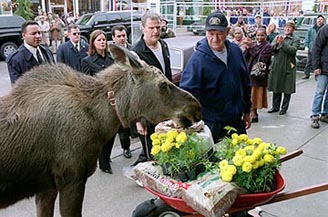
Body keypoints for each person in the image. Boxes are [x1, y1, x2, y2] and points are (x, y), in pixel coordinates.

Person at [179, 11, 252, 143]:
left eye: (219, 33)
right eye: (211, 34)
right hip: (212, 125)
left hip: (236, 122)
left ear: (227, 31)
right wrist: (190, 123)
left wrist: (247, 111)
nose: (215, 39)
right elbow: (187, 94)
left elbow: (245, 83)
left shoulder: (235, 51)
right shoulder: (198, 60)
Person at [131, 11, 172, 166]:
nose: (155, 31)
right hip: (147, 110)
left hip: (165, 105)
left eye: (158, 27)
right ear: (143, 28)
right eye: (151, 28)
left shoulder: (164, 45)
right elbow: (134, 89)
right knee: (150, 147)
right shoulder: (137, 53)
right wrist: (138, 121)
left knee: (165, 142)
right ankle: (142, 172)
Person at [81, 30, 115, 173]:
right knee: (101, 135)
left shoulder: (111, 59)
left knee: (111, 134)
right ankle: (103, 163)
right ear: (93, 43)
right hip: (97, 104)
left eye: (103, 39)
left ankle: (105, 158)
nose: (102, 42)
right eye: (99, 40)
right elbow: (84, 84)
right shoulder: (87, 61)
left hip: (112, 102)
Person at [267, 21, 300, 115]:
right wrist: (277, 44)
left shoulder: (295, 39)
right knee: (276, 86)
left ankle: (284, 108)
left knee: (287, 88)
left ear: (293, 29)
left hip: (288, 65)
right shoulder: (278, 37)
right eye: (286, 27)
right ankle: (275, 106)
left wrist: (283, 43)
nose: (287, 29)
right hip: (277, 65)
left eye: (289, 28)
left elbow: (293, 51)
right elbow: (271, 49)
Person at [111, 24, 133, 159]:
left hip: (131, 93)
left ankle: (126, 148)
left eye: (123, 35)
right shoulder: (112, 54)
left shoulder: (132, 50)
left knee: (127, 126)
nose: (122, 38)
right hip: (117, 95)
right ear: (113, 38)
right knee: (118, 126)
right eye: (119, 36)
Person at [245, 28, 272, 123]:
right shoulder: (253, 44)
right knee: (249, 93)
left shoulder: (268, 46)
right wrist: (247, 48)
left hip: (259, 74)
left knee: (256, 94)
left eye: (262, 35)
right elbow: (246, 56)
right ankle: (251, 111)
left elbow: (262, 57)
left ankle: (254, 112)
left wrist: (251, 47)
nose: (260, 37)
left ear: (265, 36)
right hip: (249, 72)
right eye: (258, 35)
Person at [309, 23, 328, 128]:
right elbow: (316, 48)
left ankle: (325, 114)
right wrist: (316, 66)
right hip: (323, 68)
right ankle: (315, 115)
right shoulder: (325, 29)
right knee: (320, 92)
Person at [302, 15, 325, 79]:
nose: (319, 20)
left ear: (323, 21)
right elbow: (307, 38)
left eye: (321, 19)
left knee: (319, 63)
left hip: (321, 49)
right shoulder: (311, 29)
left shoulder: (324, 29)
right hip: (312, 48)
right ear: (317, 20)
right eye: (319, 19)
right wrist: (306, 46)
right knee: (308, 62)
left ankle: (317, 75)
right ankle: (306, 74)